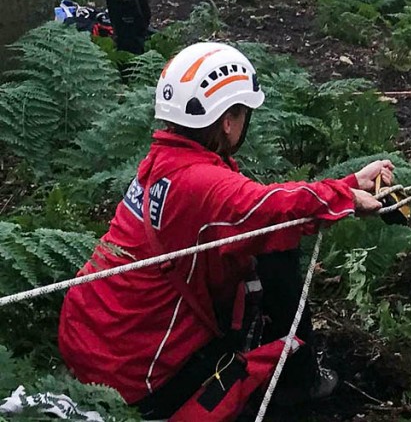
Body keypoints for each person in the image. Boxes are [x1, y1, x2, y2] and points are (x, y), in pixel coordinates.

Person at [58, 42, 393, 418]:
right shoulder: (201, 184)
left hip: (92, 339)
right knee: (272, 257)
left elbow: (253, 207)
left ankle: (292, 375)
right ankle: (295, 385)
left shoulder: (166, 162)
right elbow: (269, 210)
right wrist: (344, 197)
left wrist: (346, 186)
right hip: (136, 374)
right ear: (229, 121)